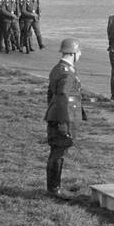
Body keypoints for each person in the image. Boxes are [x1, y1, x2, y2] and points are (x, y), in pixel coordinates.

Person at [44, 38, 87, 199]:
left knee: (56, 152)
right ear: (73, 53)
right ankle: (54, 188)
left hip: (56, 115)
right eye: (79, 52)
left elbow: (51, 95)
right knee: (58, 154)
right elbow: (62, 98)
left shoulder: (58, 68)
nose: (80, 55)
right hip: (63, 118)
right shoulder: (67, 73)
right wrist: (63, 123)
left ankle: (53, 187)